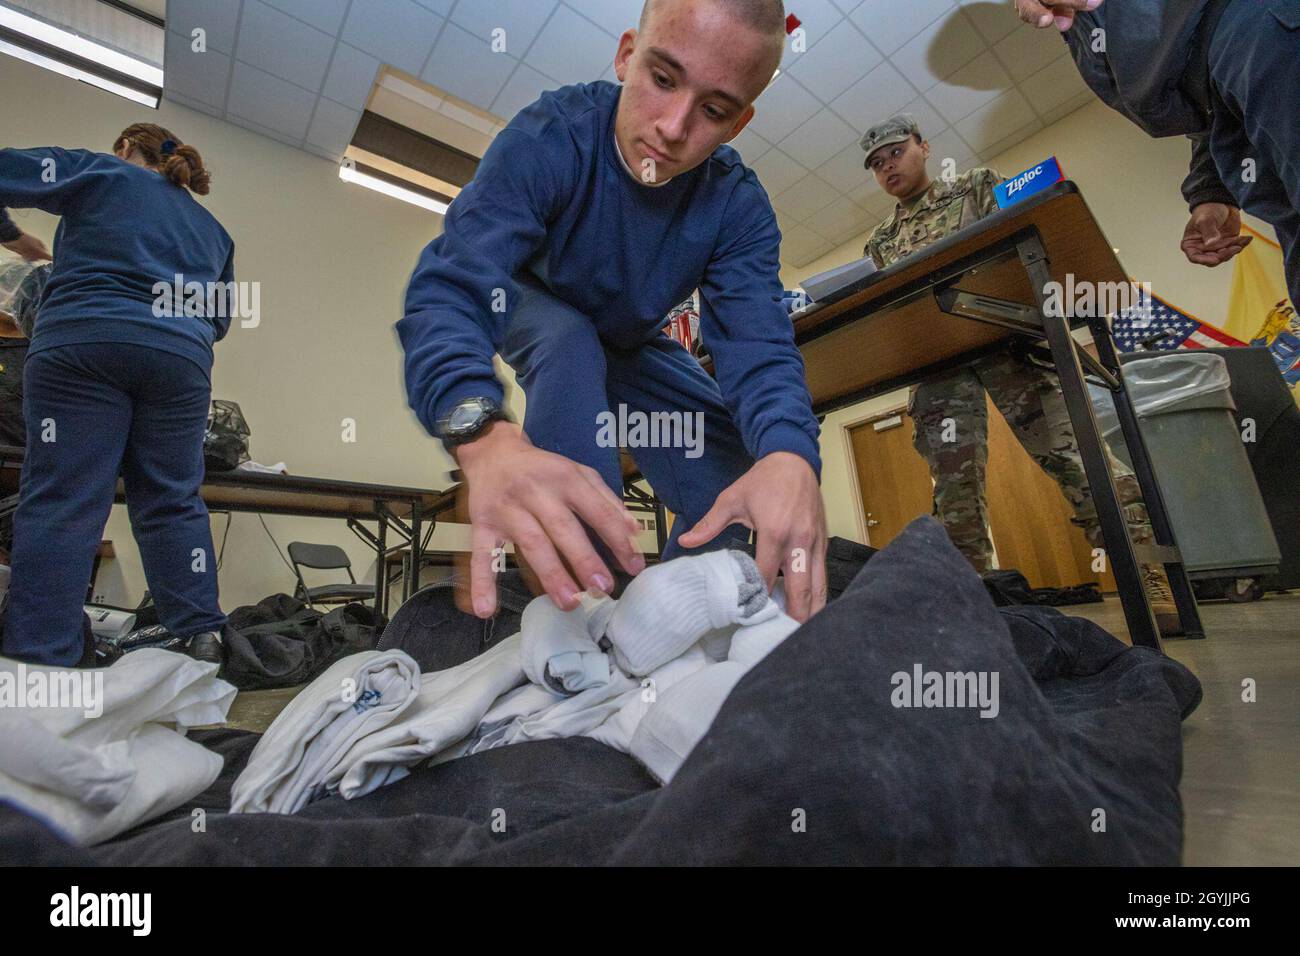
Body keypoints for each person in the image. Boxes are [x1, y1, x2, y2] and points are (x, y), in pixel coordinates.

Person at [399, 0, 827, 623]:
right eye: (661, 79)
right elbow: (453, 285)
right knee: (569, 342)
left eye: (713, 111)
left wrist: (791, 456)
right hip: (533, 300)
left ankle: (684, 618)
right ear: (627, 55)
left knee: (735, 463)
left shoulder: (736, 206)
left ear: (738, 124)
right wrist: (480, 434)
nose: (673, 127)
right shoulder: (551, 135)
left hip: (630, 337)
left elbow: (760, 350)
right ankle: (585, 611)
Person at [859, 115, 1179, 632]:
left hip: (1006, 342)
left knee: (1075, 456)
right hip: (940, 366)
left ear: (922, 146)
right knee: (954, 488)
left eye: (894, 152)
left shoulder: (976, 186)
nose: (886, 166)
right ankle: (970, 604)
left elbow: (1025, 248)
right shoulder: (880, 240)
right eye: (876, 164)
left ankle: (1147, 575)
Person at [0, 124, 233, 668]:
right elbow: (219, 321)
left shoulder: (101, 171)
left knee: (67, 498)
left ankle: (41, 656)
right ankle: (201, 637)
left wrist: (13, 239)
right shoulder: (215, 232)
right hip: (181, 361)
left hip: (85, 340)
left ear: (127, 148)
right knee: (173, 500)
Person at [1016, 0, 1299, 308]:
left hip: (1256, 33)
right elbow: (1210, 102)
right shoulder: (1083, 33)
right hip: (1222, 85)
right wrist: (1210, 191)